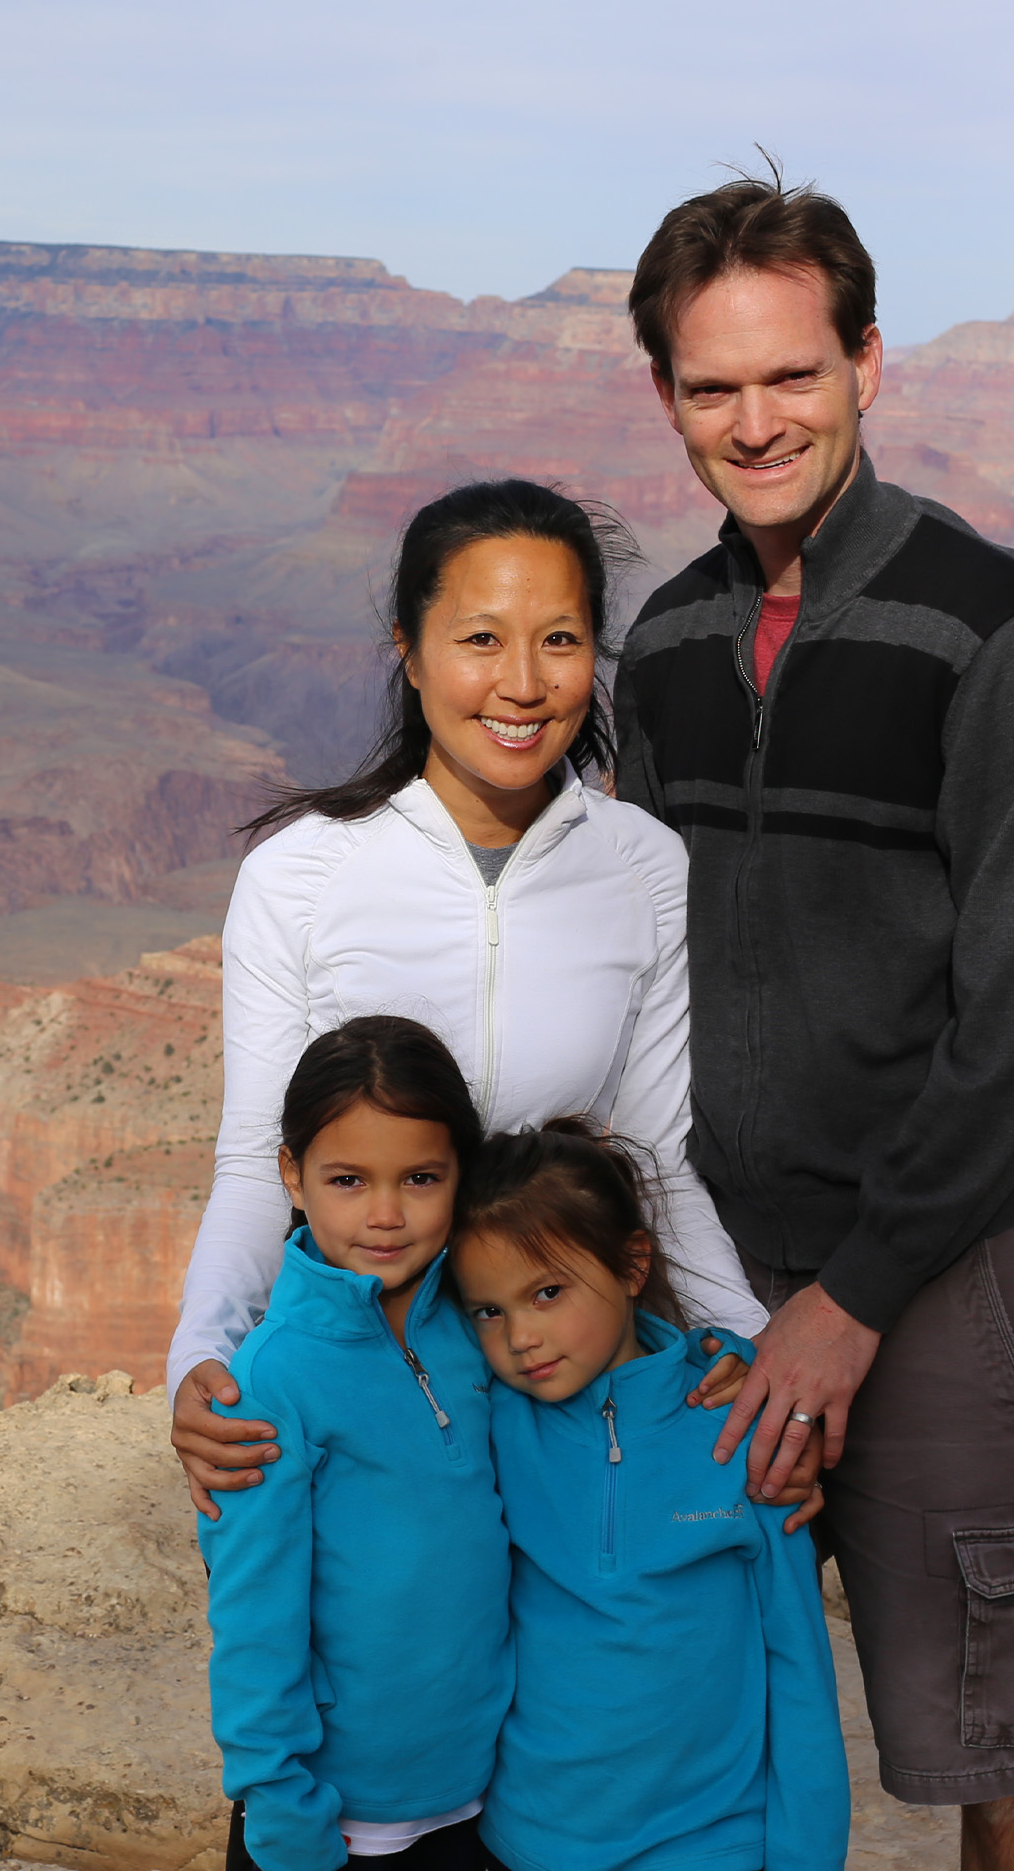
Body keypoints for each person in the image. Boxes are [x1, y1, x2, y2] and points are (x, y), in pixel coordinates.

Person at [606, 172, 1014, 1870]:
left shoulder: (1000, 633)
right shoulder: (667, 641)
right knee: (693, 1742)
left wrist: (855, 1299)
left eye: (792, 374)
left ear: (869, 365)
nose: (757, 422)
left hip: (939, 1281)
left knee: (998, 1745)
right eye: (713, 386)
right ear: (669, 398)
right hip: (708, 1294)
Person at [170, 482, 767, 1523]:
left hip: (562, 1380)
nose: (524, 683)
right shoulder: (301, 876)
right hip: (366, 1389)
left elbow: (658, 1156)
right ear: (409, 647)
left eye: (562, 638)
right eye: (481, 638)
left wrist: (739, 1337)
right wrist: (203, 1352)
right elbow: (258, 1161)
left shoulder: (642, 868)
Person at [452, 1120, 845, 1871]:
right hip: (530, 1840)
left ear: (633, 1265)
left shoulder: (737, 1431)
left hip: (711, 1842)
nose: (520, 1337)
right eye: (488, 1311)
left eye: (547, 1292)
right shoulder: (492, 1425)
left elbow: (797, 1658)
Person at [198, 1015, 510, 1871]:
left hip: (486, 1798)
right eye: (346, 1179)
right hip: (339, 1823)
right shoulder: (272, 1382)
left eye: (419, 1177)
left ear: (460, 1176)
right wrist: (283, 1813)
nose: (384, 1213)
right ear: (292, 1177)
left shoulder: (484, 1330)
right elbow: (254, 1620)